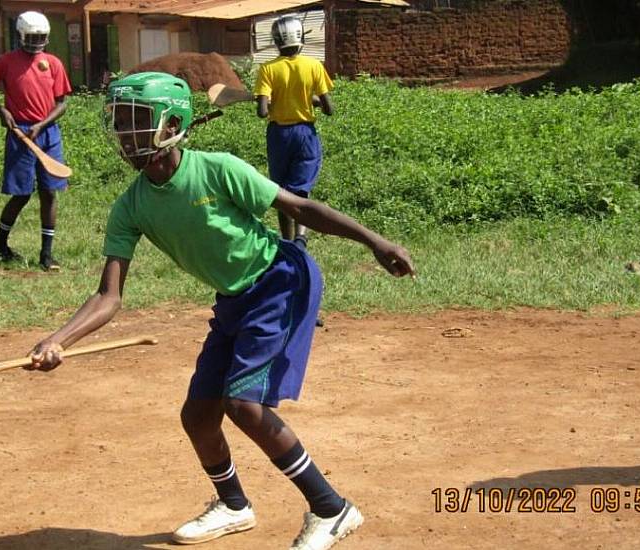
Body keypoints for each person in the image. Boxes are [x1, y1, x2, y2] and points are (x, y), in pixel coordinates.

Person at [29, 72, 415, 550]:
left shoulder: (218, 168)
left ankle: (331, 509)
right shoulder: (130, 207)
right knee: (198, 414)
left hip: (278, 281)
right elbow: (109, 296)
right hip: (233, 300)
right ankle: (234, 504)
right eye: (118, 121)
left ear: (172, 124)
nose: (123, 134)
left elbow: (299, 208)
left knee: (243, 404)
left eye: (135, 121)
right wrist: (58, 340)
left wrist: (375, 242)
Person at [0, 10, 72, 271]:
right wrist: (2, 110)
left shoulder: (53, 63)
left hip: (48, 134)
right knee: (21, 195)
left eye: (40, 36)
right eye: (31, 36)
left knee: (49, 193)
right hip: (20, 134)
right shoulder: (6, 61)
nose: (36, 41)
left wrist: (42, 124)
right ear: (20, 35)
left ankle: (47, 255)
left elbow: (62, 103)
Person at [253, 14, 334, 249]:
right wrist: (312, 100)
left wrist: (264, 99)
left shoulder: (268, 69)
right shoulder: (314, 65)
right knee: (300, 189)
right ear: (300, 37)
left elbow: (262, 111)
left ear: (276, 40)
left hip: (279, 136)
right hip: (305, 135)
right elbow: (329, 109)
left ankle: (287, 241)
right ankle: (301, 237)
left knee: (281, 191)